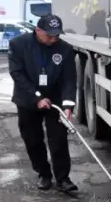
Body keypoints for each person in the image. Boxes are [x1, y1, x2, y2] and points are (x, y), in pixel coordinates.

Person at [7, 14, 78, 192]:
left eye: (57, 35)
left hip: (55, 100)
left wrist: (68, 106)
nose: (53, 39)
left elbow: (69, 79)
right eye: (49, 35)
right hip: (28, 99)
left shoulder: (65, 49)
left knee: (59, 140)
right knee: (33, 140)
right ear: (38, 31)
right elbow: (17, 74)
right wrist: (36, 97)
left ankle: (63, 179)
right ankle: (44, 174)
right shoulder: (18, 45)